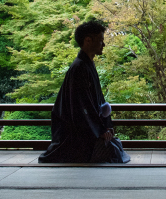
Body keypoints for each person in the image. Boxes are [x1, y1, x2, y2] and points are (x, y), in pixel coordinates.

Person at [38, 20, 130, 164]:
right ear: (88, 40)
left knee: (114, 146)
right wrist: (100, 131)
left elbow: (98, 101)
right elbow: (83, 106)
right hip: (76, 131)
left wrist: (106, 125)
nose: (103, 44)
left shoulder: (86, 64)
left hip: (87, 125)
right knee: (111, 151)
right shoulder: (79, 68)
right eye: (100, 40)